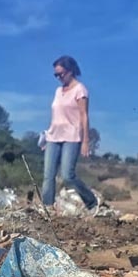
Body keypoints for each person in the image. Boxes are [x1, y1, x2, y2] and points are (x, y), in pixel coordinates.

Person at [41, 55, 97, 212]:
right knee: (48, 175)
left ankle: (91, 201)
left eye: (61, 74)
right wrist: (46, 138)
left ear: (70, 71)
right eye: (55, 75)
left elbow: (84, 116)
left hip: (71, 137)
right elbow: (55, 116)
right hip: (53, 136)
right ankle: (47, 208)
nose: (58, 77)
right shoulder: (58, 91)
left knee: (67, 175)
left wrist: (86, 141)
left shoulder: (80, 90)